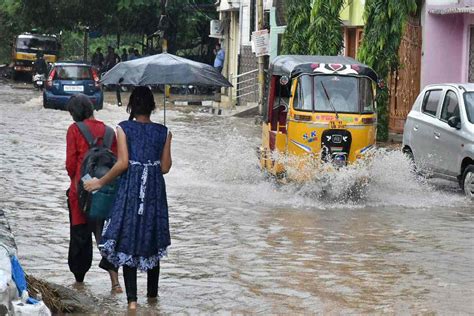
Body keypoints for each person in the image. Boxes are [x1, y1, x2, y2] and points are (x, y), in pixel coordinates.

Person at [84, 87, 172, 310]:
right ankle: (153, 299)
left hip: (131, 189)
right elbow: (165, 167)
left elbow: (122, 163)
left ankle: (132, 301)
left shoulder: (123, 128)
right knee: (151, 238)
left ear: (132, 106)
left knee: (127, 239)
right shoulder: (164, 131)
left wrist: (99, 182)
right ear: (152, 107)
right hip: (153, 191)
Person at [65, 94, 122, 293]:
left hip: (80, 193)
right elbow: (116, 164)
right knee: (104, 237)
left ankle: (79, 284)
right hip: (104, 193)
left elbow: (71, 165)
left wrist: (78, 183)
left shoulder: (74, 130)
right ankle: (116, 284)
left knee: (80, 237)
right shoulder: (109, 132)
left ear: (75, 113)